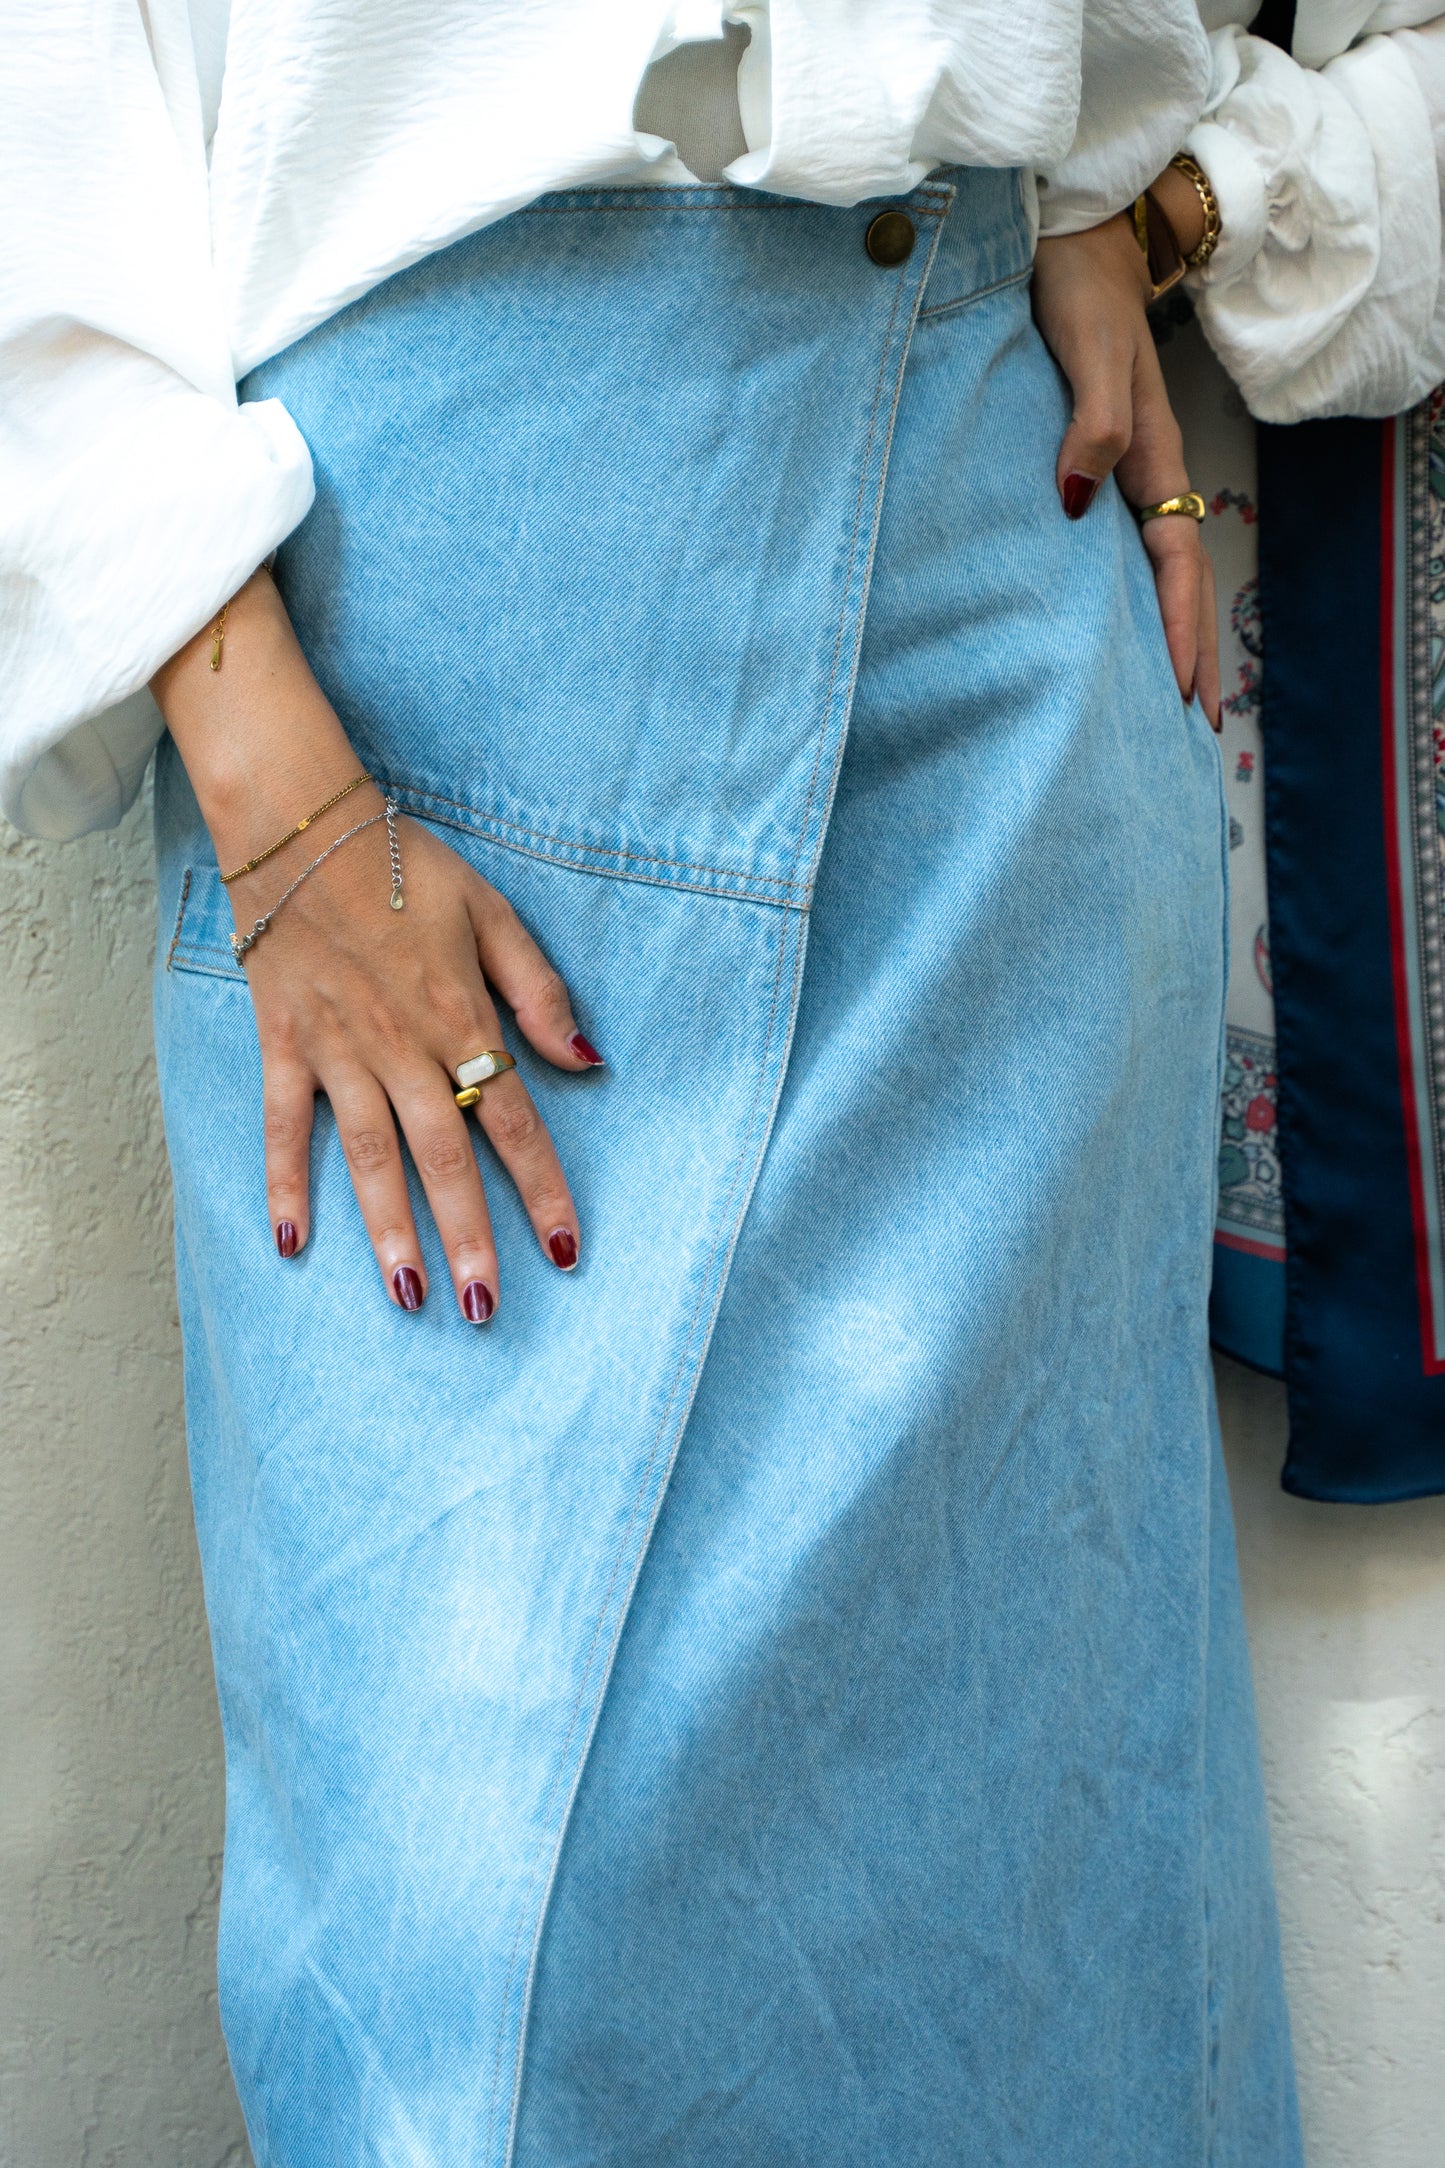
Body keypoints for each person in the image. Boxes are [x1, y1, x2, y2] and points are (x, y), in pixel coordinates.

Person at [4, 4, 1436, 2162]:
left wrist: (1150, 190)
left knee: (1046, 1932)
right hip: (413, 670)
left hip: (997, 563)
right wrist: (260, 761)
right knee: (493, 1985)